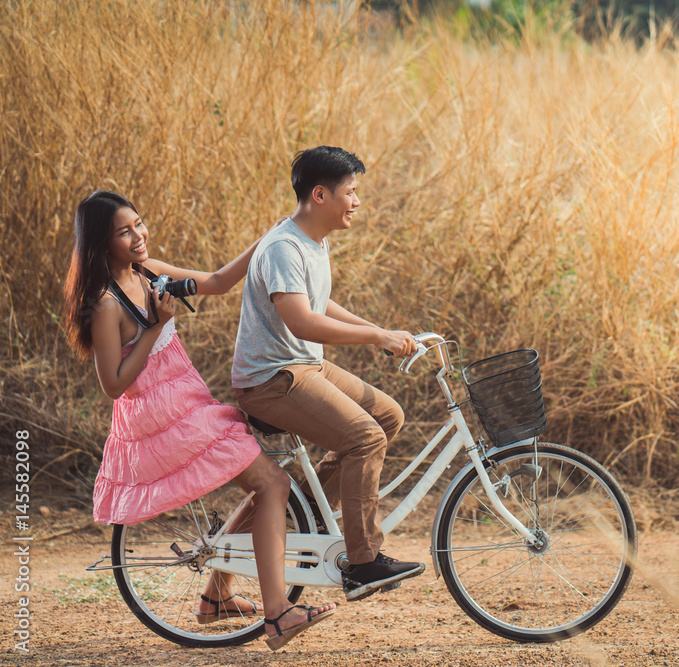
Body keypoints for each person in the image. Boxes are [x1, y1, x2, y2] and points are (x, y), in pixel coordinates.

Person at [63, 190, 335, 651]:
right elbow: (114, 385)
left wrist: (274, 236)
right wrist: (152, 328)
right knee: (272, 484)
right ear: (100, 243)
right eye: (124, 231)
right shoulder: (106, 304)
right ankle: (278, 615)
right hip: (161, 416)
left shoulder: (147, 272)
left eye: (139, 223)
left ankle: (218, 597)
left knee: (268, 482)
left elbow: (218, 280)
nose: (138, 235)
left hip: (186, 403)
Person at [232, 146, 425, 602]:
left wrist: (377, 329)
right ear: (320, 194)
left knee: (388, 417)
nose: (357, 201)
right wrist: (375, 339)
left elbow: (317, 305)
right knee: (365, 438)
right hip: (272, 380)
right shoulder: (283, 246)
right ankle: (363, 563)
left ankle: (309, 517)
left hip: (302, 367)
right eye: (351, 192)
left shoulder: (313, 241)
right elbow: (302, 321)